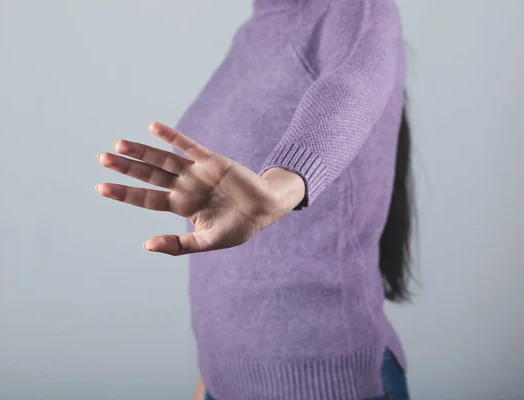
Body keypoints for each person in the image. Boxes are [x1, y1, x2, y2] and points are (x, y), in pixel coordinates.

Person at [96, 0, 414, 398]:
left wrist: (279, 187)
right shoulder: (254, 31)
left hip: (325, 381)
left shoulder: (358, 10)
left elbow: (351, 89)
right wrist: (209, 379)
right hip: (223, 381)